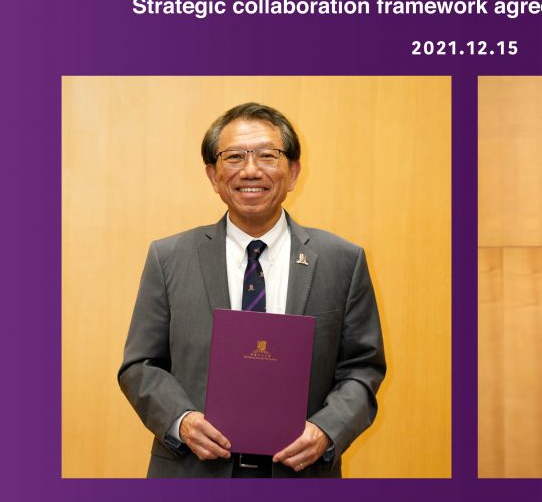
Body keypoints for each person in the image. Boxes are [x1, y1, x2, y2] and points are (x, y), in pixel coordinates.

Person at [119, 102, 385, 478]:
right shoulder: (169, 257)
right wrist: (182, 421)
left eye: (267, 155)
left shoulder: (342, 260)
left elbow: (362, 368)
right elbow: (140, 365)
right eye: (234, 157)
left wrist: (328, 430)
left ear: (293, 171)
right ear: (213, 175)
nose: (251, 170)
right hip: (193, 472)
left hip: (300, 474)